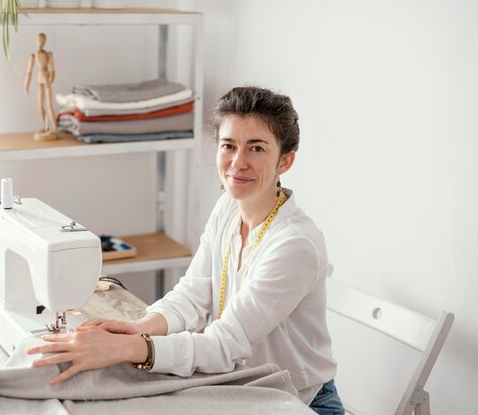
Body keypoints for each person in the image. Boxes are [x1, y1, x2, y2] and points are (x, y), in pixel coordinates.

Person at [27, 86, 344, 414]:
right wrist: (141, 327)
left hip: (298, 400)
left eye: (256, 148)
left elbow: (223, 344)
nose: (238, 162)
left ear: (285, 160)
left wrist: (128, 348)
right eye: (228, 145)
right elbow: (193, 295)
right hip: (245, 385)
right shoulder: (228, 208)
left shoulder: (295, 246)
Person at [24, 32, 60, 141]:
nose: (40, 42)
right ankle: (45, 126)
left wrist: (51, 79)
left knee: (49, 105)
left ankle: (54, 127)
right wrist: (26, 85)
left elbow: (53, 69)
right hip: (39, 79)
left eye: (42, 40)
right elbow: (28, 72)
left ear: (45, 42)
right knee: (40, 106)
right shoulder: (33, 56)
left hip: (47, 79)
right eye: (39, 40)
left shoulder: (48, 54)